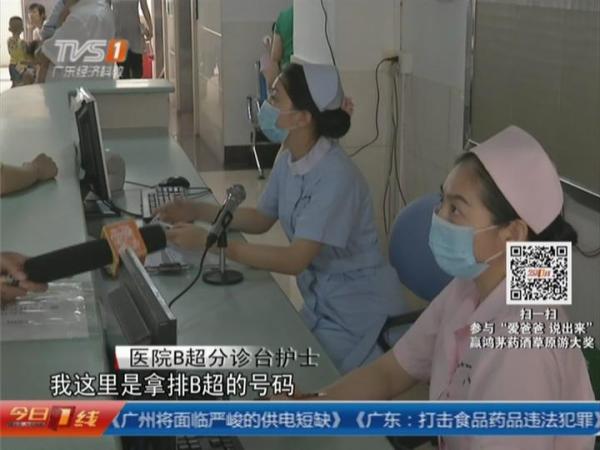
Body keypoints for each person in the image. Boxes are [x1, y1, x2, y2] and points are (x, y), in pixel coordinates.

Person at [285, 126, 595, 450]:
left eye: (455, 209)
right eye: (441, 202)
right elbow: (391, 372)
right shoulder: (471, 286)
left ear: (513, 234)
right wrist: (311, 407)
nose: (438, 218)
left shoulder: (524, 346)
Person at [160, 63, 407, 373]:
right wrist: (197, 211)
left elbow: (294, 260)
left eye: (275, 98)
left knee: (291, 378)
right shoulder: (289, 155)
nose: (266, 105)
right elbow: (262, 218)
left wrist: (214, 244)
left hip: (360, 315)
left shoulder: (336, 177)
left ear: (303, 118)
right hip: (322, 304)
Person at [36, 0, 115, 82]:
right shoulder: (103, 8)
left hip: (69, 87)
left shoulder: (81, 17)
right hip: (95, 84)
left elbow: (46, 54)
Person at [111, 0, 153, 79]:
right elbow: (105, 9)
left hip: (135, 34)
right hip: (118, 35)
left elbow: (145, 8)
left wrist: (150, 28)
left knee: (137, 72)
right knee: (122, 73)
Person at [264, 5, 293, 87]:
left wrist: (269, 46)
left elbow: (275, 55)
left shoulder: (284, 17)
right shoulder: (314, 14)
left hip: (288, 74)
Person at [6, 17, 33, 87]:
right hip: (21, 66)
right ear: (22, 29)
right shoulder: (22, 42)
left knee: (14, 83)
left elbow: (10, 52)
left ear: (10, 29)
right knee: (23, 84)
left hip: (12, 65)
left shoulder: (9, 40)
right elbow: (27, 53)